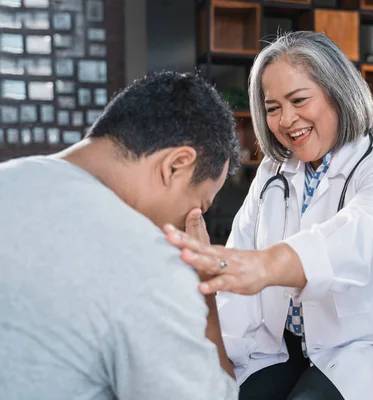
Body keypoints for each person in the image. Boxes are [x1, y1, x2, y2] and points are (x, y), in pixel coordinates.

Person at [165, 31, 373, 400]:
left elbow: (370, 234)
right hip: (282, 344)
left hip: (365, 347)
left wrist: (269, 264)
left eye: (299, 100)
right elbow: (241, 257)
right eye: (273, 107)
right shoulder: (272, 172)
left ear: (337, 92)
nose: (286, 120)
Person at [0, 71, 240, 399]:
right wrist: (206, 290)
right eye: (199, 204)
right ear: (175, 165)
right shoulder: (150, 265)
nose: (191, 221)